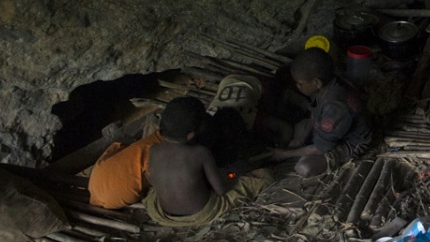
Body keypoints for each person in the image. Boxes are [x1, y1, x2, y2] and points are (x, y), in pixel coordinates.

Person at [144, 97, 272, 227]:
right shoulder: (200, 152)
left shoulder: (154, 149)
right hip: (201, 214)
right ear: (191, 135)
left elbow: (154, 180)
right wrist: (232, 173)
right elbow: (221, 190)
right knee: (265, 176)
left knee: (159, 190)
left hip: (164, 214)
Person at [271, 47, 372, 176]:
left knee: (304, 167)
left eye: (300, 83)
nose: (298, 86)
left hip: (352, 142)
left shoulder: (335, 108)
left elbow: (321, 148)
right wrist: (300, 140)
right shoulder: (325, 85)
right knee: (300, 128)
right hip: (332, 130)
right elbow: (315, 112)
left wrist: (284, 154)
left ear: (316, 82)